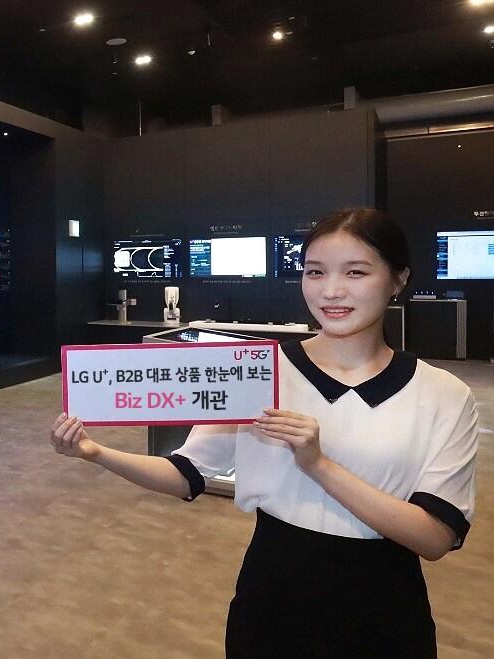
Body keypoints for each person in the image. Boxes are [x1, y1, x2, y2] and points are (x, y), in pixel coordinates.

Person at [49, 209, 477, 658]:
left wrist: (318, 465)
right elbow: (186, 474)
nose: (331, 290)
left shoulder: (443, 395)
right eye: (315, 272)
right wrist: (95, 452)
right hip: (271, 597)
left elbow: (435, 537)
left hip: (384, 608)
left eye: (356, 272)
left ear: (398, 279)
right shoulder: (258, 372)